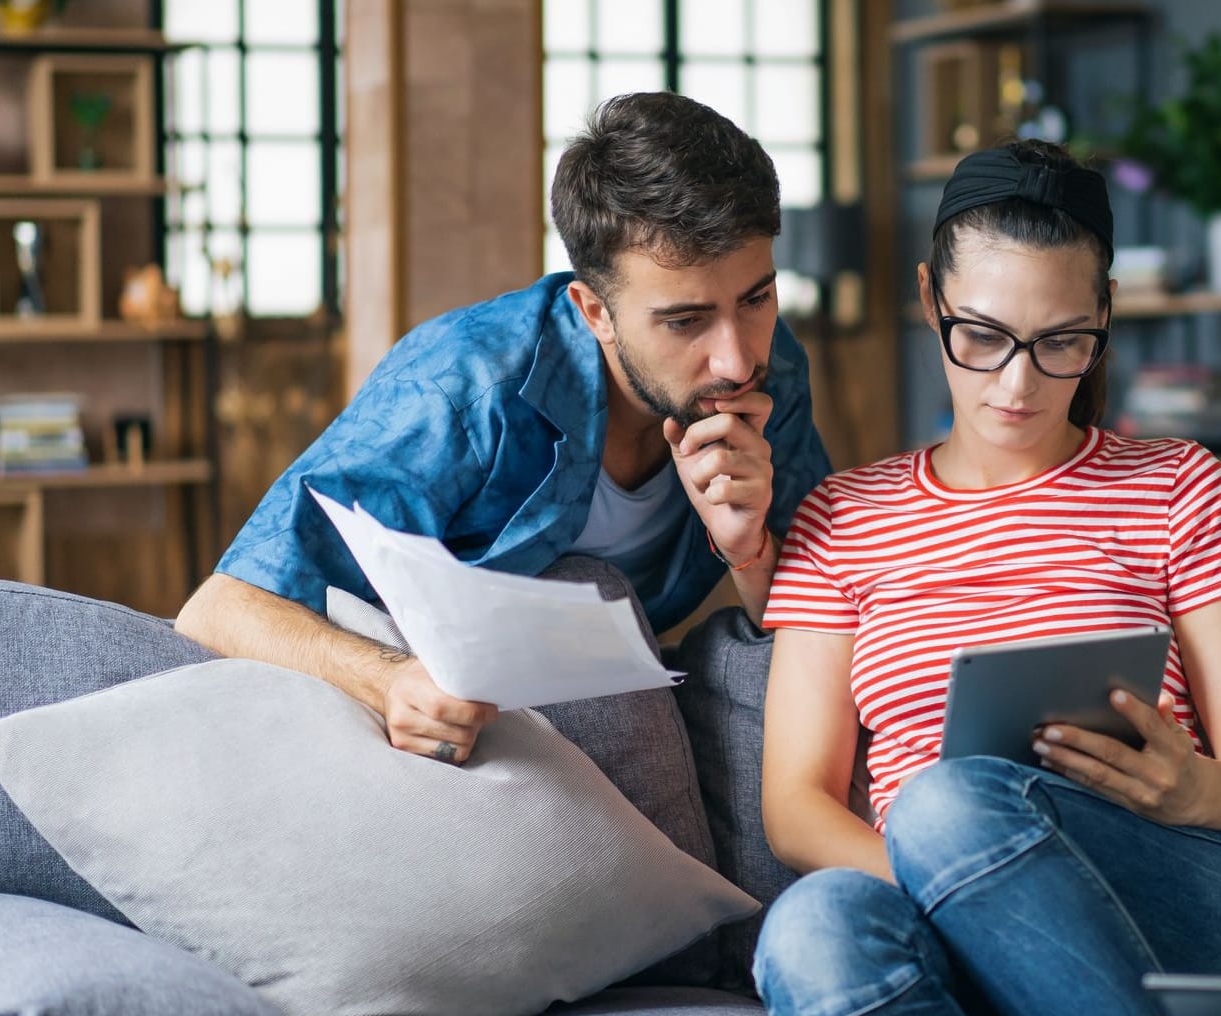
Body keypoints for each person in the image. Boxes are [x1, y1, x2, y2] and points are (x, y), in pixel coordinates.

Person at [752, 140, 1221, 1016]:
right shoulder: (844, 517)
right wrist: (951, 883)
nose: (1017, 385)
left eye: (1061, 342)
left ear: (1105, 318)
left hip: (1191, 890)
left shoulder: (1178, 485)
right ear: (927, 299)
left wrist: (1196, 788)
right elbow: (796, 809)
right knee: (812, 925)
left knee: (943, 804)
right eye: (980, 336)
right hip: (943, 902)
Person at [175, 92, 831, 766]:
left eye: (755, 298)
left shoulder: (770, 367)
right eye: (684, 321)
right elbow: (221, 608)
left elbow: (826, 615)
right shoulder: (466, 384)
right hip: (428, 716)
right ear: (594, 312)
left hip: (612, 696)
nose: (736, 357)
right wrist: (389, 680)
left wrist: (748, 552)